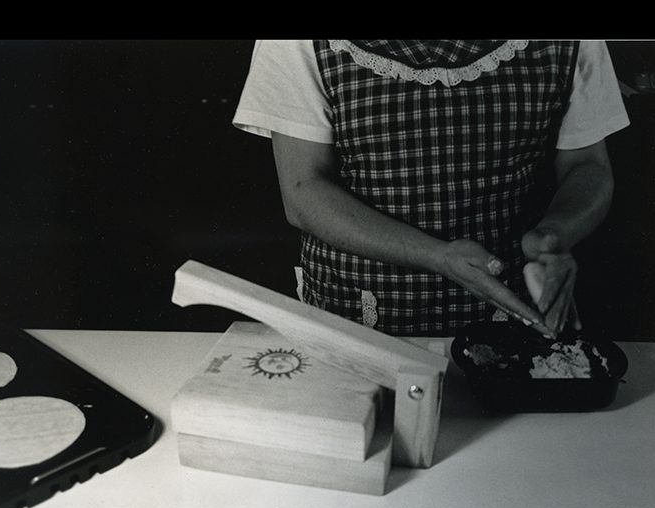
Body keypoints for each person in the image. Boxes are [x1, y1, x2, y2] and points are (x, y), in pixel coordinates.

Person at [232, 40, 630, 337]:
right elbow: (304, 191)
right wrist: (437, 255)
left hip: (514, 319)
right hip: (359, 320)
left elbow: (588, 166)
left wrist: (555, 234)